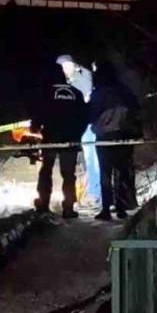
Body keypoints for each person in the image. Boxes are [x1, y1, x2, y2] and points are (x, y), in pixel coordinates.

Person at [30, 66, 88, 218]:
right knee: (69, 174)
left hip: (50, 138)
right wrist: (77, 134)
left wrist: (35, 127)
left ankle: (43, 203)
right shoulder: (76, 93)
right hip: (71, 139)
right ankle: (68, 208)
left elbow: (38, 113)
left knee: (46, 170)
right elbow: (84, 116)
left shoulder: (46, 92)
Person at [90, 65, 141, 221]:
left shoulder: (98, 93)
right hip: (123, 137)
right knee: (122, 172)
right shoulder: (124, 91)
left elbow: (91, 115)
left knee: (105, 173)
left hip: (104, 138)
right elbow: (135, 111)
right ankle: (121, 208)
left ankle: (106, 209)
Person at [55, 55, 102, 207]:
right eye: (62, 67)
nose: (64, 70)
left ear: (74, 65)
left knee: (92, 159)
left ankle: (95, 194)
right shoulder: (71, 81)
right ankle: (92, 192)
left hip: (88, 126)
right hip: (80, 125)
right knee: (87, 160)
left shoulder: (81, 79)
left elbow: (83, 103)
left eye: (66, 66)